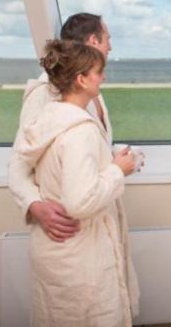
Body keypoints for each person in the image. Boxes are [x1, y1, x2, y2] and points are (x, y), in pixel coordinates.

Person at [16, 39, 139, 325]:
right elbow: (80, 201)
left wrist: (107, 162)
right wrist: (117, 170)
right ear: (81, 79)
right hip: (80, 253)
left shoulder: (48, 120)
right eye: (98, 72)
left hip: (55, 254)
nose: (104, 77)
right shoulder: (79, 131)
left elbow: (64, 174)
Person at [9, 13, 117, 242]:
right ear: (94, 41)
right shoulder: (46, 93)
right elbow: (19, 161)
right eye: (108, 38)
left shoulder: (90, 90)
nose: (111, 46)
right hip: (67, 231)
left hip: (95, 226)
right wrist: (35, 205)